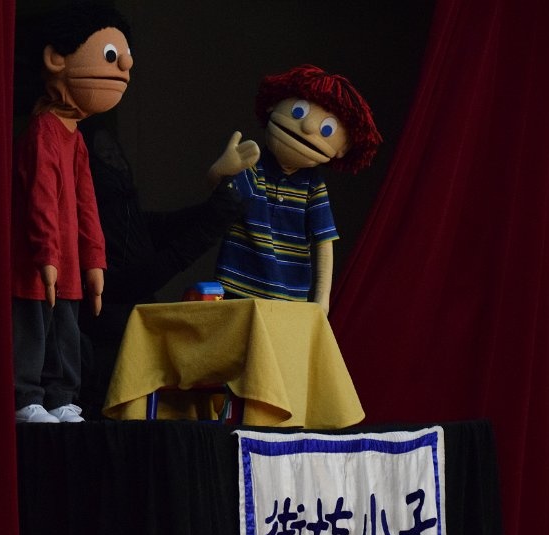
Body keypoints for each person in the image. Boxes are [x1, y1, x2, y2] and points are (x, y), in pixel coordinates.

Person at [78, 119, 259, 418]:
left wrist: (220, 200)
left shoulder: (126, 214)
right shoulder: (88, 222)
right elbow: (128, 282)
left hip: (135, 351)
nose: (117, 163)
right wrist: (212, 222)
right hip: (104, 364)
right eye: (106, 157)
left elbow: (169, 226)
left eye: (117, 154)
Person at [11, 5, 133, 423]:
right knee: (33, 325)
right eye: (112, 57)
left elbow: (86, 204)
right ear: (55, 60)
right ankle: (26, 395)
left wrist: (94, 260)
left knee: (65, 327)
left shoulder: (75, 138)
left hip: (68, 260)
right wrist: (47, 254)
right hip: (37, 258)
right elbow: (40, 198)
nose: (124, 67)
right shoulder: (42, 132)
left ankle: (62, 395)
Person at [214, 64, 382, 314]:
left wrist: (322, 298)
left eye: (326, 129)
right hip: (236, 286)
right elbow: (219, 203)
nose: (308, 128)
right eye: (298, 112)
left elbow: (324, 240)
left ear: (341, 149)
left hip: (289, 298)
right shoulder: (253, 165)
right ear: (273, 104)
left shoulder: (312, 186)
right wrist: (220, 171)